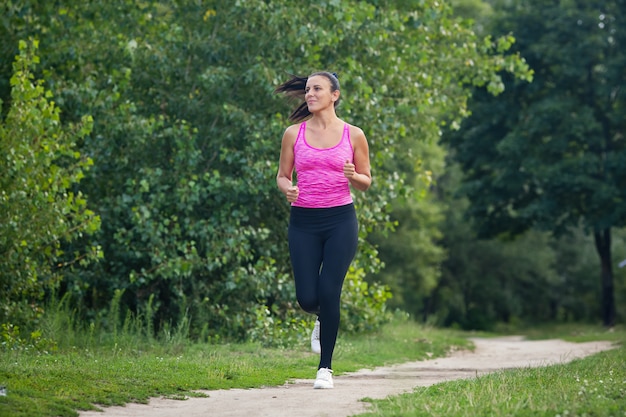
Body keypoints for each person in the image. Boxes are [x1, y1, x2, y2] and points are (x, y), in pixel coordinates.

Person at [275, 71, 372, 389]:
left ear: (335, 95)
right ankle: (323, 315)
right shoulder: (293, 133)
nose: (310, 94)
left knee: (330, 292)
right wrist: (288, 189)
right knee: (307, 297)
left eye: (317, 89)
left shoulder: (353, 134)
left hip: (340, 221)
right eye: (307, 90)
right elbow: (282, 175)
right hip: (303, 222)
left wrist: (353, 175)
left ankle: (325, 369)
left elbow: (366, 181)